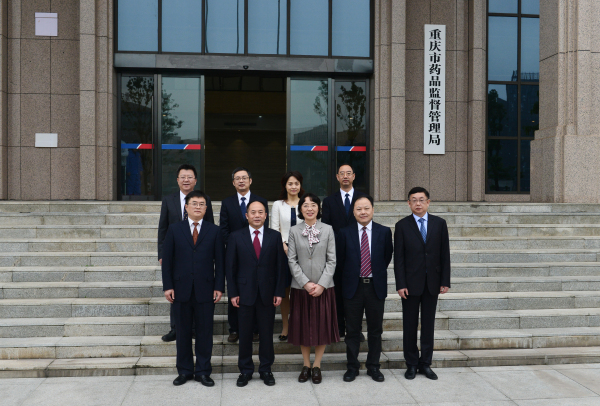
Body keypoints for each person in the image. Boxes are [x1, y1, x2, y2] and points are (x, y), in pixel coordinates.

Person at [161, 190, 224, 387]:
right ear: (186, 207)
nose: (198, 207)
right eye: (194, 203)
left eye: (201, 204)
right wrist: (168, 286)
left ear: (206, 208)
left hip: (206, 289)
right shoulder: (174, 229)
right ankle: (185, 371)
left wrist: (219, 286)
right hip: (180, 289)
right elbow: (167, 261)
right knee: (183, 332)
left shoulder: (214, 231)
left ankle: (203, 371)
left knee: (205, 333)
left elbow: (220, 262)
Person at [226, 200, 287, 387]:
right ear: (246, 215)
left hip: (268, 293)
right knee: (244, 334)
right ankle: (245, 370)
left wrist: (279, 291)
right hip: (244, 293)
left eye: (261, 212)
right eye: (253, 212)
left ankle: (266, 369)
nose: (257, 215)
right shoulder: (236, 236)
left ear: (266, 216)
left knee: (266, 334)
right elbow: (230, 268)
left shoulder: (275, 236)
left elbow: (280, 267)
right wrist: (233, 293)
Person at [394, 187, 451, 381]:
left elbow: (445, 254)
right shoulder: (402, 225)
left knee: (428, 325)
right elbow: (399, 258)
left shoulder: (439, 224)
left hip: (432, 283)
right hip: (410, 285)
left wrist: (445, 280)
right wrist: (400, 284)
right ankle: (411, 364)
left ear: (428, 202)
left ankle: (426, 363)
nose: (418, 203)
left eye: (421, 199)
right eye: (414, 200)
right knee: (409, 325)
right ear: (408, 203)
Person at [337, 195, 393, 383]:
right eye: (359, 209)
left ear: (373, 210)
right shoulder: (344, 233)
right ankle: (352, 367)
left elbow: (386, 257)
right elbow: (341, 261)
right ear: (353, 212)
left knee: (375, 330)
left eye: (366, 208)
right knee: (352, 330)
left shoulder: (384, 232)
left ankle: (373, 366)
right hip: (353, 287)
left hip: (375, 287)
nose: (363, 212)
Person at [157, 164, 215, 342]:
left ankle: (196, 328)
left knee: (196, 290)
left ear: (195, 180)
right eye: (183, 177)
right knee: (177, 291)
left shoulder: (204, 200)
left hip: (199, 253)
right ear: (177, 180)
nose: (186, 180)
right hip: (177, 254)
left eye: (190, 177)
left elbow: (210, 226)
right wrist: (162, 254)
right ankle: (176, 328)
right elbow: (163, 228)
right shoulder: (169, 200)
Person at [287, 193, 339, 384]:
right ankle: (306, 365)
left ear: (319, 208)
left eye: (313, 205)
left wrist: (322, 284)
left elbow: (332, 260)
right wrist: (305, 283)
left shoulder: (328, 229)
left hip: (324, 288)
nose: (309, 208)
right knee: (302, 327)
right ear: (300, 209)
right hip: (301, 288)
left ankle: (317, 365)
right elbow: (291, 260)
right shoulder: (294, 230)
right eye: (305, 205)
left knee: (321, 327)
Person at [220, 167, 269, 343]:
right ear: (233, 182)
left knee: (256, 289)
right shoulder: (227, 203)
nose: (241, 181)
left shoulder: (260, 201)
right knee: (235, 288)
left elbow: (265, 228)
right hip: (235, 253)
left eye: (244, 178)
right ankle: (234, 329)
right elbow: (224, 229)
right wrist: (237, 245)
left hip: (257, 253)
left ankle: (255, 329)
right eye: (237, 178)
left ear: (250, 180)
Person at [322, 163, 366, 339]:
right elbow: (326, 227)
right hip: (336, 253)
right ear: (337, 177)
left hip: (359, 253)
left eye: (349, 173)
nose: (345, 176)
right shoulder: (329, 201)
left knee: (358, 294)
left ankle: (356, 329)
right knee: (338, 291)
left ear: (354, 176)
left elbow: (366, 222)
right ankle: (339, 327)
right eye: (342, 173)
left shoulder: (363, 198)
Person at [270, 171, 305, 341]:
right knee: (284, 290)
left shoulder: (306, 203)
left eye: (296, 183)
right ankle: (286, 327)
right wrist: (284, 245)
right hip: (282, 251)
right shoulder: (278, 205)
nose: (293, 186)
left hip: (304, 253)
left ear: (300, 185)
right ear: (285, 185)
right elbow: (274, 228)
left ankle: (300, 326)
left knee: (301, 291)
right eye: (290, 183)